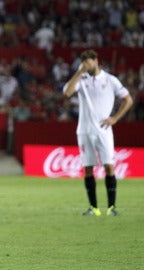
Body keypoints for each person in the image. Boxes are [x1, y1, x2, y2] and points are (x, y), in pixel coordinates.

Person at [63, 49, 133, 217]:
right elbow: (67, 92)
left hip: (104, 130)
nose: (86, 65)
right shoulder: (81, 79)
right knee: (88, 169)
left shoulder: (110, 80)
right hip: (84, 130)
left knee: (109, 166)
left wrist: (115, 118)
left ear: (96, 60)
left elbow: (128, 99)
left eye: (88, 62)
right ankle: (93, 208)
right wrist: (80, 71)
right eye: (83, 63)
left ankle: (111, 207)